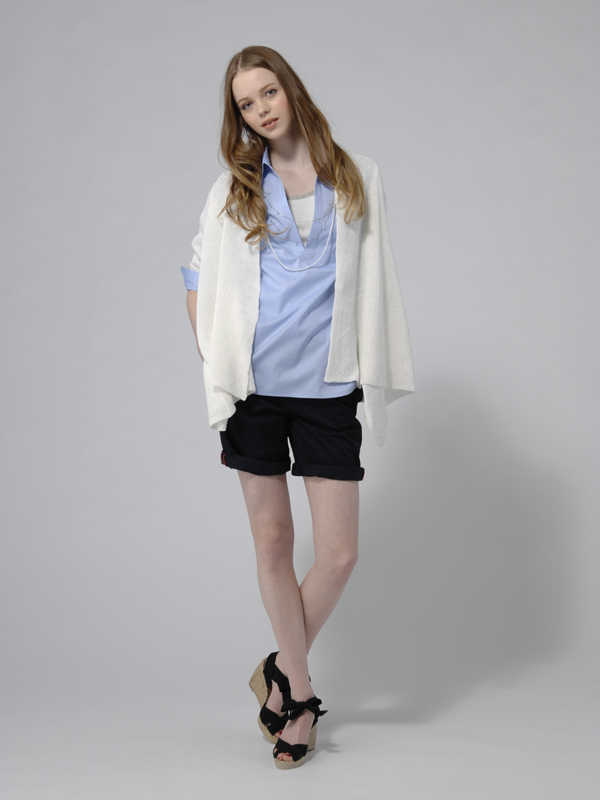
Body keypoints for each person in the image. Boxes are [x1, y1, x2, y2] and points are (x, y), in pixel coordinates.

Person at [181, 46, 414, 770]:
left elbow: (372, 277)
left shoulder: (356, 175)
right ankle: (301, 697)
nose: (261, 110)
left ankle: (280, 669)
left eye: (268, 92)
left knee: (339, 554)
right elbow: (197, 270)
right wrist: (215, 357)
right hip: (254, 390)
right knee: (274, 544)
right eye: (246, 104)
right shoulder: (234, 189)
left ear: (291, 89)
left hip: (328, 386)